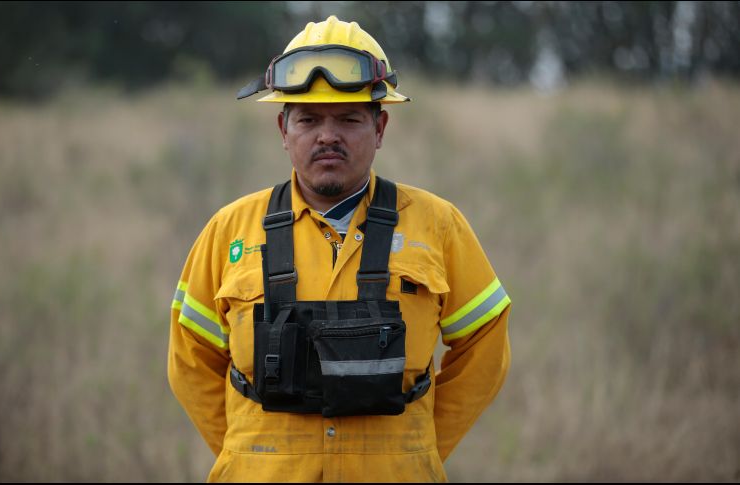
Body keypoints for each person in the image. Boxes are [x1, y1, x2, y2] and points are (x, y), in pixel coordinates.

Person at [168, 15, 511, 483]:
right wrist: (247, 454)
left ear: (380, 128)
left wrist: (420, 446)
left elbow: (484, 343)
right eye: (308, 119)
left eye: (349, 119)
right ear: (283, 131)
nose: (327, 135)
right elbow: (190, 358)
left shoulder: (439, 225)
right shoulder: (229, 230)